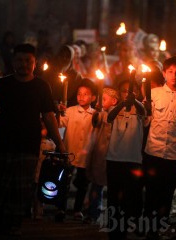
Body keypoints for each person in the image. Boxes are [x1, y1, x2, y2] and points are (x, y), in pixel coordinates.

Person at [0, 43, 66, 236]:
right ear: (13, 62)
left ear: (34, 63)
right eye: (20, 60)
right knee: (0, 185)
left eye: (28, 61)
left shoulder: (42, 86)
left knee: (20, 189)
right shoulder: (3, 84)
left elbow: (48, 117)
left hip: (28, 146)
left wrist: (59, 143)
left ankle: (13, 224)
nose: (24, 64)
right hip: (3, 144)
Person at [143, 56, 176, 236]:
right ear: (164, 73)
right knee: (151, 191)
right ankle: (148, 226)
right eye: (170, 71)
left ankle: (159, 227)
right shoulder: (154, 94)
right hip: (153, 151)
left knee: (166, 193)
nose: (174, 75)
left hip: (173, 155)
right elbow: (145, 121)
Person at [105, 79, 146, 239]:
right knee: (113, 197)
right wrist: (123, 104)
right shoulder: (116, 108)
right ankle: (114, 232)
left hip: (133, 159)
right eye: (124, 91)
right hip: (114, 159)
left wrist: (134, 101)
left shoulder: (140, 109)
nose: (127, 94)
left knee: (129, 197)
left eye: (131, 91)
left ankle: (126, 226)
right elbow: (110, 116)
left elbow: (143, 112)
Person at [56, 79, 98, 222]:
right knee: (64, 182)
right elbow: (59, 124)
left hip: (85, 155)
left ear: (93, 97)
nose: (81, 96)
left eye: (86, 94)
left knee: (83, 184)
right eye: (79, 93)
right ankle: (61, 208)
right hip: (69, 152)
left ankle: (77, 209)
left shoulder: (96, 114)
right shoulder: (70, 111)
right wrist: (59, 113)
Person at [84, 87, 120, 224]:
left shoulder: (118, 114)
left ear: (114, 101)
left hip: (113, 153)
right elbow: (95, 122)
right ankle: (93, 212)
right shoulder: (102, 113)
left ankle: (112, 216)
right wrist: (97, 112)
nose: (101, 101)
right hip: (100, 154)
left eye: (104, 99)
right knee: (96, 184)